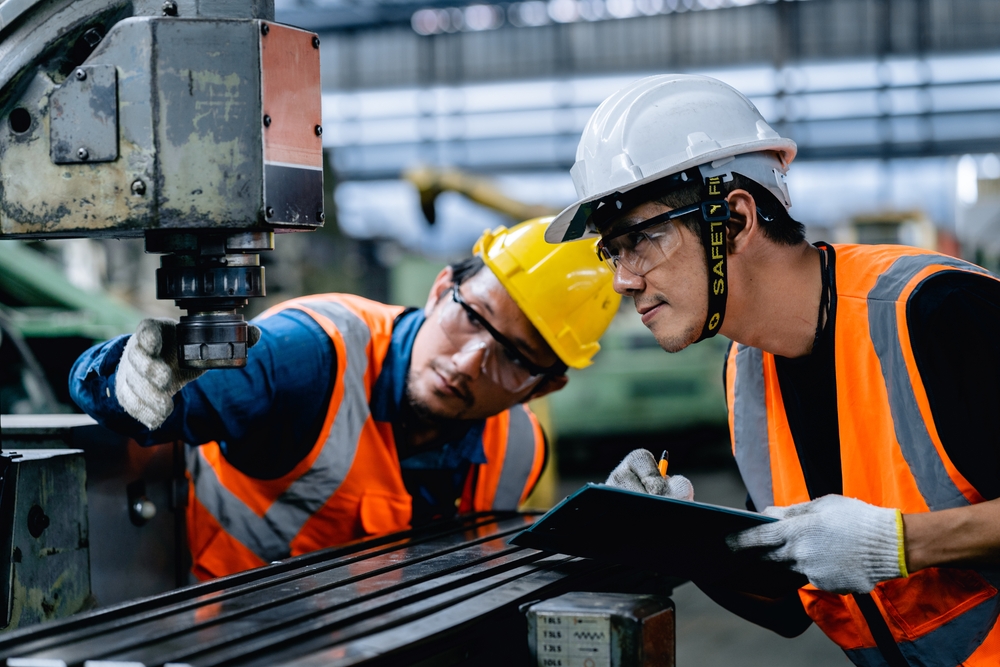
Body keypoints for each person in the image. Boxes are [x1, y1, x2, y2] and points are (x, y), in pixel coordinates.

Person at [545, 73, 1000, 666]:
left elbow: (871, 551)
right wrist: (669, 532)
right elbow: (789, 605)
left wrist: (899, 543)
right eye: (613, 252)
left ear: (734, 219)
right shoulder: (747, 371)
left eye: (640, 241)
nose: (622, 279)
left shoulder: (936, 310)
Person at [70, 217, 620, 580]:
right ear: (439, 288)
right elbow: (150, 392)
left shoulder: (519, 453)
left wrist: (615, 540)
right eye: (472, 317)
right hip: (216, 633)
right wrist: (128, 375)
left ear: (545, 386)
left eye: (515, 358)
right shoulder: (310, 357)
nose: (469, 361)